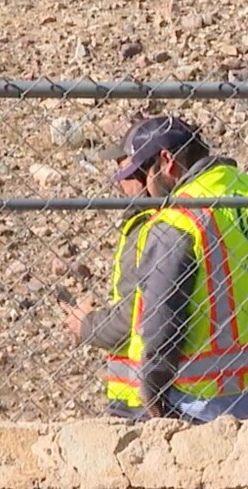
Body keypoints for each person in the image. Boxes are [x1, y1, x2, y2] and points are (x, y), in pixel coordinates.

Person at [115, 115, 248, 422]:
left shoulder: (179, 220)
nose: (144, 188)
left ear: (167, 161)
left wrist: (152, 393)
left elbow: (163, 323)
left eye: (143, 173)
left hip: (206, 407)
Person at [62, 135, 158, 419]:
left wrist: (86, 325)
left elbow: (132, 317)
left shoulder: (149, 230)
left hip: (140, 397)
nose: (119, 182)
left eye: (125, 172)